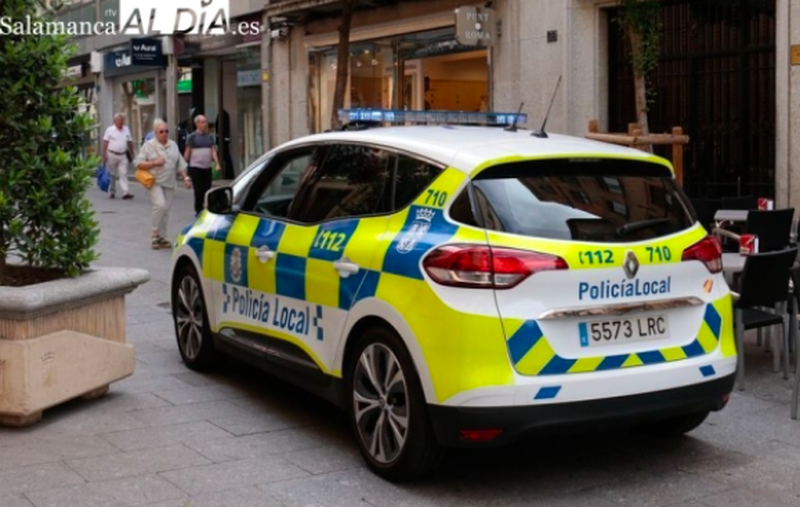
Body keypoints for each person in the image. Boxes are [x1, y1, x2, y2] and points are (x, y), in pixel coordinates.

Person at [135, 119, 192, 250]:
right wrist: (155, 163)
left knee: (166, 210)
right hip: (154, 181)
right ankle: (155, 234)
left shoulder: (173, 145)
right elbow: (139, 164)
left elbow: (179, 164)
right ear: (155, 133)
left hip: (170, 182)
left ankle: (162, 237)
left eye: (167, 131)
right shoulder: (148, 146)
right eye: (161, 132)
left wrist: (186, 178)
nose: (165, 134)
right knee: (160, 205)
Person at [184, 115, 221, 216]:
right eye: (203, 122)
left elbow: (213, 151)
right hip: (195, 168)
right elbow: (187, 153)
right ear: (197, 124)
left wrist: (217, 163)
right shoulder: (192, 137)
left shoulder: (209, 137)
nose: (205, 124)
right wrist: (184, 169)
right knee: (198, 189)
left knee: (207, 188)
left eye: (206, 122)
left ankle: (206, 207)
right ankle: (199, 209)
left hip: (207, 167)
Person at [102, 113, 135, 200]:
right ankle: (112, 191)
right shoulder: (110, 130)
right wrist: (104, 154)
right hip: (112, 154)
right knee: (112, 174)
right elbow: (105, 142)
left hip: (123, 155)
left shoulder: (126, 129)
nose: (120, 122)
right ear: (115, 121)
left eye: (122, 121)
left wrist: (132, 152)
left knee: (123, 173)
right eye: (119, 121)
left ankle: (125, 192)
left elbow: (130, 142)